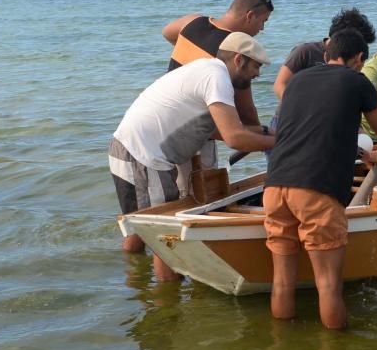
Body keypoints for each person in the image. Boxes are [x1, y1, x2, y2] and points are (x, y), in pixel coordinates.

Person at [264, 29, 377, 329]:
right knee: (328, 285)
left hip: (275, 186)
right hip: (317, 190)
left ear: (328, 53)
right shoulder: (358, 81)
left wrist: (359, 151)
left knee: (281, 282)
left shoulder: (298, 80)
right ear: (357, 58)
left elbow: (311, 129)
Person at [110, 32, 274, 281]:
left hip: (131, 146)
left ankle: (136, 285)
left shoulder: (207, 69)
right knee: (166, 238)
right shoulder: (217, 77)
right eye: (256, 66)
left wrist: (265, 133)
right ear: (239, 60)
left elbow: (219, 131)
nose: (257, 75)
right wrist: (283, 141)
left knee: (139, 229)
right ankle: (168, 304)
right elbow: (234, 138)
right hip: (143, 155)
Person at [161, 0, 274, 175]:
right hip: (196, 138)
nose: (261, 29)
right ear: (250, 16)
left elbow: (167, 32)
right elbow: (246, 112)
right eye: (263, 21)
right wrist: (263, 138)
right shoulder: (233, 54)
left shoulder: (193, 22)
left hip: (164, 125)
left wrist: (186, 52)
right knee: (201, 195)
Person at [272, 7, 376, 100]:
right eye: (359, 43)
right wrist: (299, 110)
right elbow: (280, 84)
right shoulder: (305, 52)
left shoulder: (354, 61)